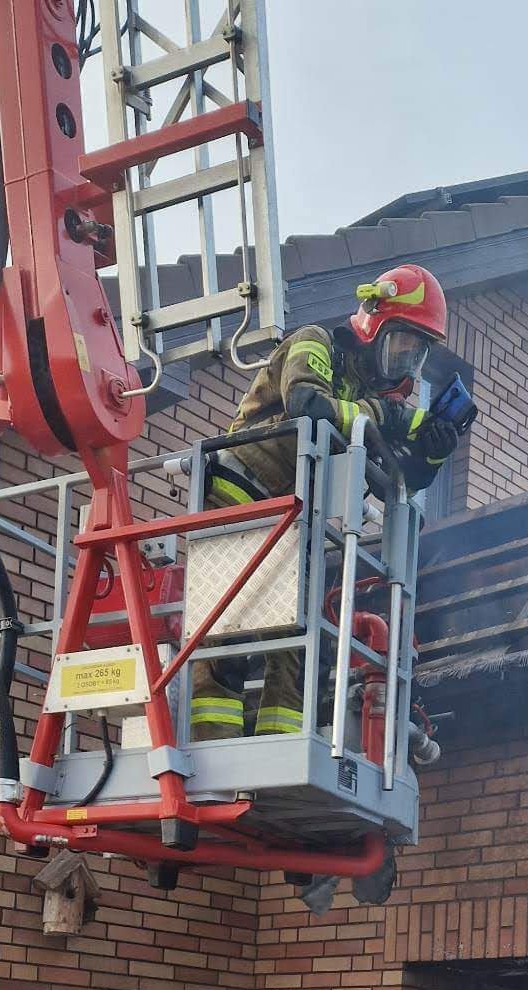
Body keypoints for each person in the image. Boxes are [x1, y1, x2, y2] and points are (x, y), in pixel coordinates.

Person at [190, 264, 459, 740]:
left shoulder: (368, 398)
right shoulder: (314, 342)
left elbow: (395, 482)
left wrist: (432, 456)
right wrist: (387, 417)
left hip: (297, 521)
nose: (404, 362)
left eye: (415, 354)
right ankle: (213, 746)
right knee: (229, 633)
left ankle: (280, 747)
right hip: (241, 495)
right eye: (401, 344)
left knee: (299, 645)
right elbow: (309, 408)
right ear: (374, 322)